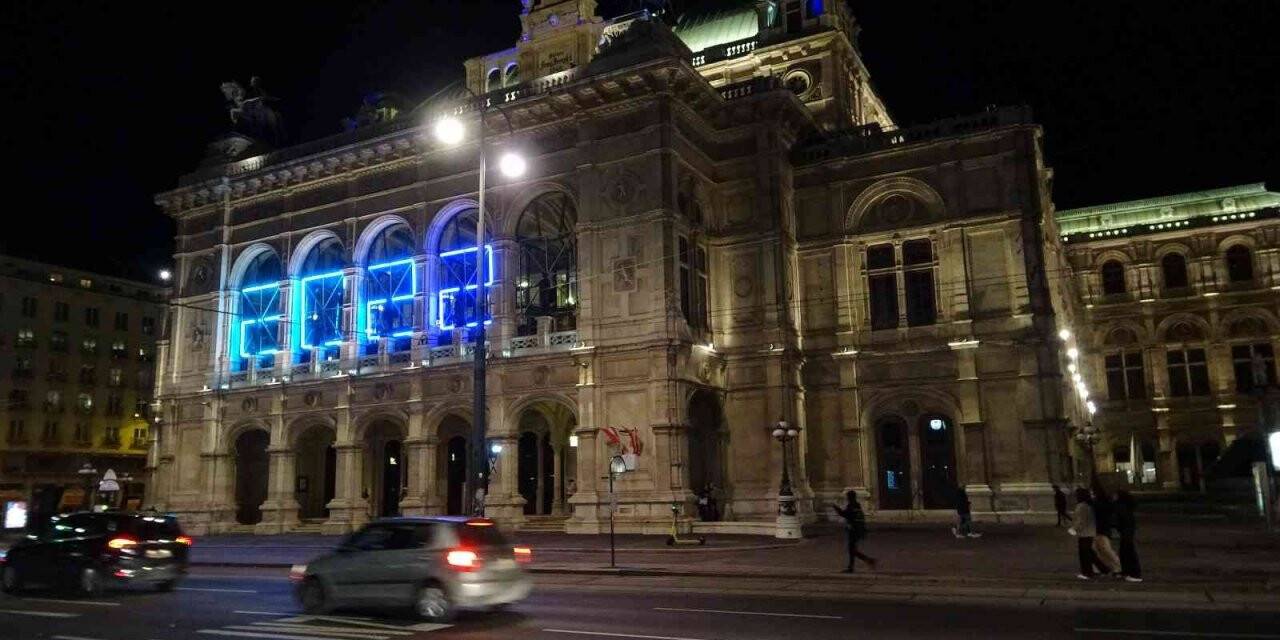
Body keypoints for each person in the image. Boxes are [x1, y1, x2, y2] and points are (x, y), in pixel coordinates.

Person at [832, 491, 878, 573]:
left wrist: (836, 507)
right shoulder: (857, 505)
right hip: (857, 530)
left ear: (849, 497)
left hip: (853, 531)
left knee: (852, 550)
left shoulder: (852, 506)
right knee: (852, 550)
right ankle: (856, 565)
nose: (847, 498)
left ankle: (867, 561)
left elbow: (844, 514)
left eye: (847, 497)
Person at [1091, 483, 1122, 576]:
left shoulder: (1099, 504)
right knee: (1097, 550)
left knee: (1105, 550)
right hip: (1099, 529)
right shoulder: (1102, 503)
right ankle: (1101, 568)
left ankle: (1117, 567)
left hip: (1101, 530)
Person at [1069, 488, 1099, 580]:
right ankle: (1096, 570)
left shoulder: (1081, 506)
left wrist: (1074, 529)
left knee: (1084, 554)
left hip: (1084, 533)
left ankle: (1087, 572)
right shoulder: (1089, 505)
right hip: (1091, 531)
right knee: (1089, 553)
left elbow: (1080, 521)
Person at [1115, 491, 1142, 582]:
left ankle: (1134, 574)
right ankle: (1127, 571)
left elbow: (1120, 519)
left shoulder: (1121, 507)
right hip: (1127, 530)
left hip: (1126, 531)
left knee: (1128, 551)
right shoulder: (1127, 507)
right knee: (1125, 551)